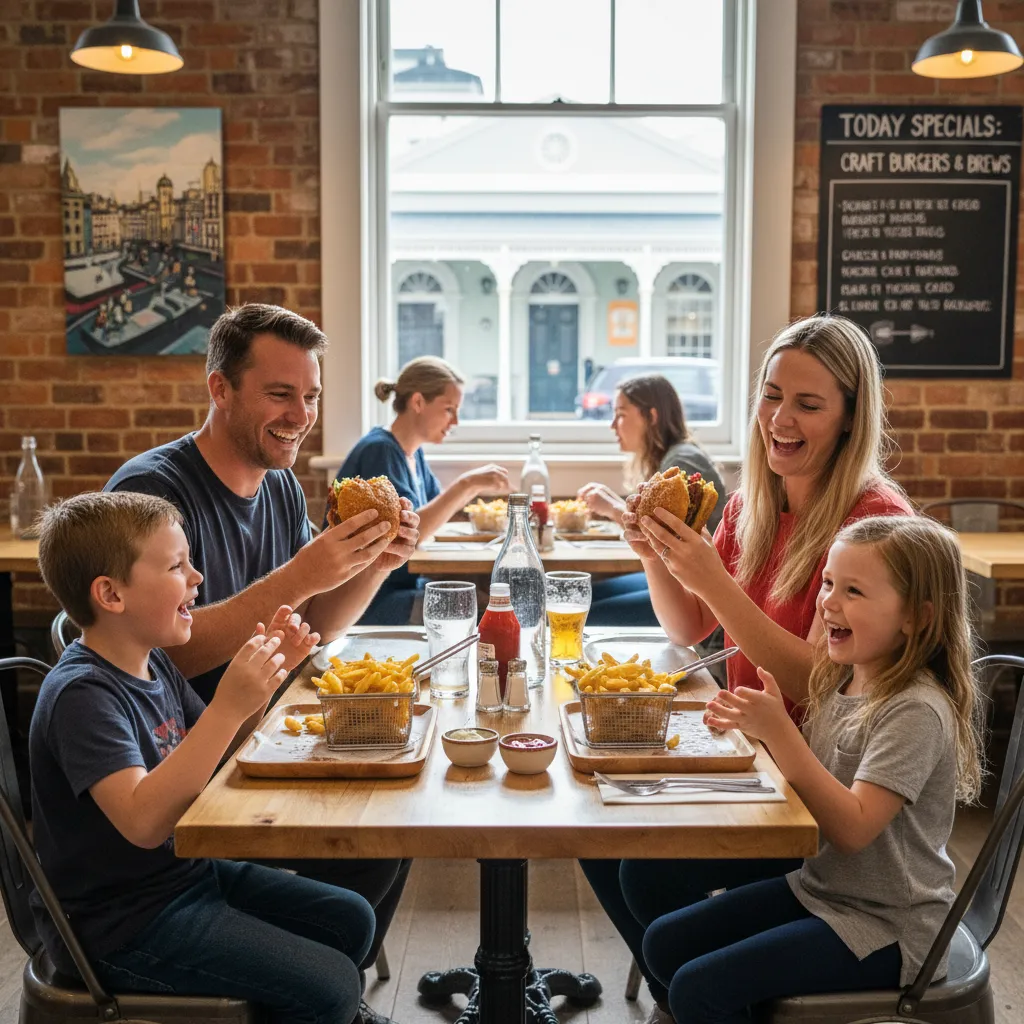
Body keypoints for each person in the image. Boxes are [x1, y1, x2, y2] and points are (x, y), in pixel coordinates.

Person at [581, 314, 914, 1017]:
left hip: (821, 786)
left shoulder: (875, 525)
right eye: (770, 396)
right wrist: (654, 551)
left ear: (852, 419)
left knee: (641, 871)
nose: (779, 419)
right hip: (749, 758)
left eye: (808, 404)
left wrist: (714, 578)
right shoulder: (752, 504)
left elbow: (825, 686)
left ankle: (707, 996)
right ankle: (700, 998)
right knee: (599, 835)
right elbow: (690, 626)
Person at [106, 303, 417, 1024]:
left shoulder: (277, 485)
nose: (300, 415)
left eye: (309, 396)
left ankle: (311, 983)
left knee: (393, 812)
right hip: (191, 752)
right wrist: (306, 572)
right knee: (376, 825)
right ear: (220, 390)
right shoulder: (153, 492)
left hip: (272, 731)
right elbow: (154, 659)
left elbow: (311, 623)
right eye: (280, 394)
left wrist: (377, 563)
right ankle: (301, 986)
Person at [32, 491, 375, 1024]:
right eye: (176, 565)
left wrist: (265, 680)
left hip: (184, 877)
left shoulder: (155, 664)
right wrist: (226, 705)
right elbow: (145, 822)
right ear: (110, 594)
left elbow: (220, 760)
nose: (197, 579)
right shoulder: (82, 694)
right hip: (118, 925)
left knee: (351, 920)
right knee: (332, 986)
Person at [643, 515, 983, 1023]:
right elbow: (813, 783)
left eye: (853, 591)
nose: (828, 602)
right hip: (823, 889)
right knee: (663, 944)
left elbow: (851, 828)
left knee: (698, 989)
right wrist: (755, 730)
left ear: (916, 616)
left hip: (888, 926)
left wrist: (780, 732)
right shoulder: (845, 681)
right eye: (827, 583)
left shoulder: (915, 709)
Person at [331, 355, 509, 625]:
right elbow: (412, 534)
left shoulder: (413, 455)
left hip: (404, 585)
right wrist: (467, 484)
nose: (455, 422)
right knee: (485, 610)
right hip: (372, 600)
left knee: (484, 600)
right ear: (417, 402)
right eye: (449, 409)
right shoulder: (380, 451)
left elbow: (433, 517)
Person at [578, 374, 725, 627]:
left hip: (699, 599)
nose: (613, 425)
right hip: (678, 580)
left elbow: (662, 539)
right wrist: (615, 505)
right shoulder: (672, 457)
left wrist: (614, 509)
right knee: (589, 593)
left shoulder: (681, 465)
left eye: (621, 414)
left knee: (584, 613)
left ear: (652, 417)